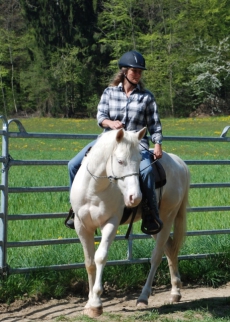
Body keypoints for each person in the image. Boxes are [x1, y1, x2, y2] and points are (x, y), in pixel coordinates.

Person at [65, 50, 163, 235]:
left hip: (135, 145)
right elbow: (101, 116)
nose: (138, 74)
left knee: (147, 171)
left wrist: (157, 144)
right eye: (134, 70)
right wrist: (110, 123)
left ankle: (151, 214)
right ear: (124, 71)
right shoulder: (109, 92)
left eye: (140, 71)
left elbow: (155, 125)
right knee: (73, 165)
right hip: (108, 142)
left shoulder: (147, 97)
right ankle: (75, 210)